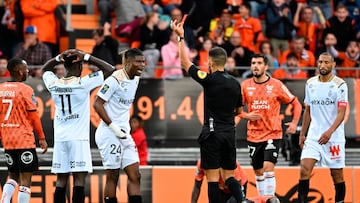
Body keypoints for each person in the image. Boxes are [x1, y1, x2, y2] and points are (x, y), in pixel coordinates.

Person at [171, 18, 246, 203]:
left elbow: (184, 62)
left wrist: (181, 38)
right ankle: (242, 200)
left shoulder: (208, 78)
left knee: (212, 180)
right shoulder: (236, 84)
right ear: (226, 62)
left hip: (212, 134)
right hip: (229, 133)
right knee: (229, 176)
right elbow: (238, 111)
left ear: (210, 62)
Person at [42, 49, 114, 203]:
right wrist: (87, 56)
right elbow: (110, 69)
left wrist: (57, 58)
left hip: (61, 139)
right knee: (79, 179)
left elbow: (44, 70)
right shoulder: (83, 83)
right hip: (78, 139)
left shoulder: (54, 83)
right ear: (80, 67)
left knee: (61, 180)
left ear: (64, 66)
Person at [240, 54, 302, 196]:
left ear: (266, 66)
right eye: (253, 63)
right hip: (253, 135)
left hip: (272, 133)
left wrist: (294, 123)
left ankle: (269, 199)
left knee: (268, 168)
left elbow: (296, 103)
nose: (255, 66)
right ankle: (263, 198)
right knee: (258, 171)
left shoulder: (276, 85)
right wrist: (246, 115)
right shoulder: (245, 86)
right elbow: (234, 109)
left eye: (259, 63)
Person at [93, 48, 145, 203]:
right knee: (113, 176)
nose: (143, 65)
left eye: (143, 61)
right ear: (128, 63)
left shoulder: (135, 77)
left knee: (135, 175)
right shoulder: (114, 80)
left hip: (124, 134)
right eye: (139, 61)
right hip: (109, 133)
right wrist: (113, 127)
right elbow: (97, 104)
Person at [297, 52, 348, 203]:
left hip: (334, 137)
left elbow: (342, 112)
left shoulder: (340, 85)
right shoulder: (310, 83)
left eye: (326, 62)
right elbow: (308, 110)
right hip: (314, 135)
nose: (323, 65)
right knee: (304, 169)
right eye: (320, 62)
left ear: (333, 65)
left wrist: (330, 132)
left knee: (337, 174)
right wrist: (302, 134)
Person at [0, 58, 48, 203]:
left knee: (12, 175)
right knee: (25, 180)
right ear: (20, 71)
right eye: (26, 69)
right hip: (24, 140)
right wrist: (41, 137)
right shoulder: (26, 90)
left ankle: (4, 200)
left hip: (8, 140)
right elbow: (34, 117)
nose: (28, 71)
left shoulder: (1, 89)